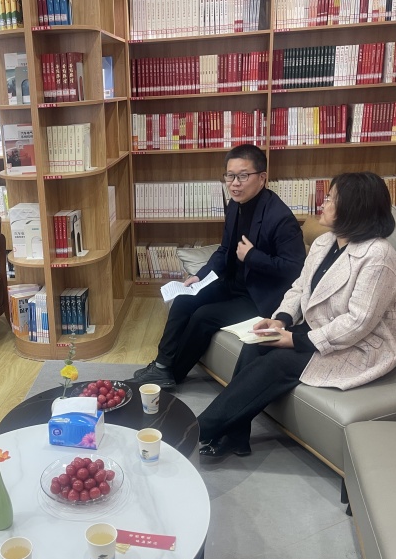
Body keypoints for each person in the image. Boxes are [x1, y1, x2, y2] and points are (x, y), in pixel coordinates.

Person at [198, 172, 396, 458]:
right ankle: (235, 437)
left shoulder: (378, 256)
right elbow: (299, 288)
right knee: (255, 345)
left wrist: (295, 341)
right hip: (319, 330)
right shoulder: (325, 243)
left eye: (331, 199)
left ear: (353, 208)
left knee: (277, 362)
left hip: (361, 345)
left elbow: (358, 323)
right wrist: (281, 319)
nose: (323, 203)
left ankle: (198, 429)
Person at [128, 144, 306, 389]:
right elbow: (224, 250)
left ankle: (173, 374)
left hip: (259, 298)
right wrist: (200, 277)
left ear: (262, 178)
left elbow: (295, 269)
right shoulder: (234, 205)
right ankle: (162, 366)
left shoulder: (281, 218)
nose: (234, 184)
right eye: (230, 176)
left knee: (204, 316)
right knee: (184, 299)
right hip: (232, 284)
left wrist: (253, 256)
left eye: (243, 176)